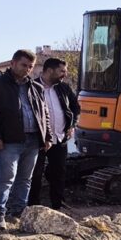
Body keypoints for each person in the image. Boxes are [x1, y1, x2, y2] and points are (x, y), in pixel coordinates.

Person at [0, 49, 51, 230]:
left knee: (25, 178)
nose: (27, 69)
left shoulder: (36, 87)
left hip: (33, 139)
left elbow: (44, 113)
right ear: (12, 63)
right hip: (9, 140)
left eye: (30, 66)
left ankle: (18, 212)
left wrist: (48, 136)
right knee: (7, 177)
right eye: (24, 65)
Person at [28, 57, 80, 210]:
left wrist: (72, 125)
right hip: (38, 140)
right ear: (50, 70)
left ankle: (58, 204)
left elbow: (75, 107)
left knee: (59, 172)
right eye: (62, 71)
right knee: (35, 173)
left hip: (60, 137)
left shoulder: (64, 88)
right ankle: (33, 206)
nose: (65, 74)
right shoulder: (32, 87)